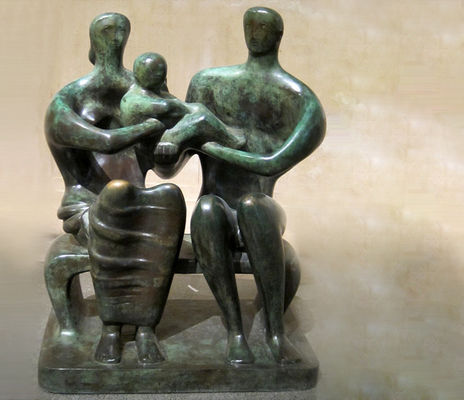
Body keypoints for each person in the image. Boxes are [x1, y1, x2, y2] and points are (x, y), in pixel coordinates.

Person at [160, 7, 326, 364]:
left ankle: (275, 333)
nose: (255, 32)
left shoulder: (302, 101)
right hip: (217, 207)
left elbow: (271, 164)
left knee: (253, 206)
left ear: (278, 35)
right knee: (206, 209)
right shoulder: (208, 84)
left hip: (262, 206)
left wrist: (211, 144)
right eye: (250, 25)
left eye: (263, 26)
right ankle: (235, 330)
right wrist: (168, 141)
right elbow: (168, 168)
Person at [44, 12, 180, 365]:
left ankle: (146, 326)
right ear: (93, 42)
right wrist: (149, 125)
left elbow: (165, 167)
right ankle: (111, 328)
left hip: (139, 202)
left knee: (170, 198)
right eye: (107, 32)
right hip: (86, 204)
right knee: (115, 196)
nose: (116, 39)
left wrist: (176, 138)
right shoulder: (66, 101)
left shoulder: (143, 92)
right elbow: (104, 141)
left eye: (121, 32)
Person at [120, 52, 245, 163]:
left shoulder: (154, 90)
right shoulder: (132, 99)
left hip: (165, 131)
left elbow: (173, 107)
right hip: (153, 143)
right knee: (201, 119)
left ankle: (226, 135)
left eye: (162, 73)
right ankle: (232, 141)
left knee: (198, 110)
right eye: (156, 74)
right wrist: (185, 108)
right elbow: (168, 107)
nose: (161, 78)